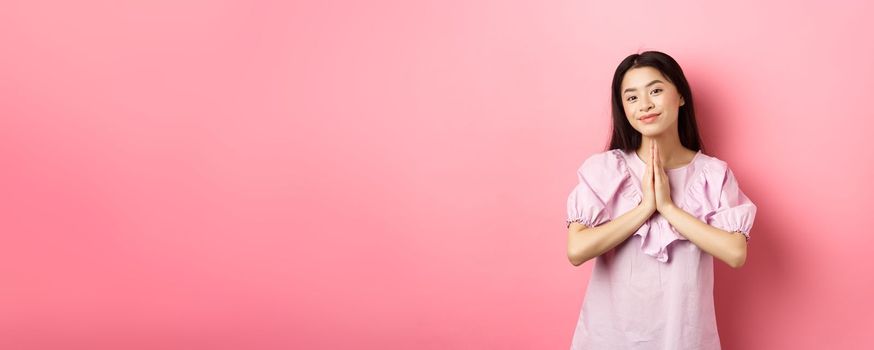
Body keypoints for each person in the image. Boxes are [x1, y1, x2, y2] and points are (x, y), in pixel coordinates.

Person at [564, 50, 757, 349]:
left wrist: (667, 207)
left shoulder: (713, 174)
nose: (645, 105)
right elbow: (577, 250)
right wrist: (644, 209)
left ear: (680, 96)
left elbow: (735, 253)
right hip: (608, 339)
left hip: (684, 338)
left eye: (655, 90)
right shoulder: (605, 170)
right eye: (631, 97)